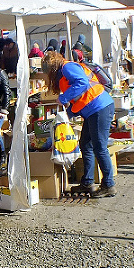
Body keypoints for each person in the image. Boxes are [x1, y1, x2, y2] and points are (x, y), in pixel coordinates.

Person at [43, 50, 116, 197]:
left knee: (99, 147)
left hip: (99, 108)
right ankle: (87, 182)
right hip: (93, 110)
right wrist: (66, 115)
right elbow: (80, 98)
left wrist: (64, 98)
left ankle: (108, 185)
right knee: (85, 144)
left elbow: (82, 83)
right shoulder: (65, 71)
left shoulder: (67, 67)